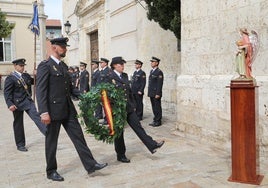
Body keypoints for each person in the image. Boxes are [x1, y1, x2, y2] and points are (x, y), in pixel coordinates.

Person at [36, 37, 107, 181]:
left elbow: (72, 89)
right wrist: (43, 112)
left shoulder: (63, 66)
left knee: (79, 138)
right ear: (54, 47)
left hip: (68, 110)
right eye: (63, 47)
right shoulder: (45, 66)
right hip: (53, 112)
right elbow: (40, 90)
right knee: (51, 142)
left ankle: (90, 165)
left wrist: (89, 96)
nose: (65, 49)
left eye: (65, 47)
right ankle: (51, 171)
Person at [109, 56, 165, 163]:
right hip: (118, 110)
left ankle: (152, 145)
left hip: (128, 107)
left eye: (123, 64)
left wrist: (133, 104)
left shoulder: (124, 76)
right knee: (119, 133)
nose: (123, 66)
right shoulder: (109, 76)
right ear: (115, 65)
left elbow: (129, 91)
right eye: (121, 64)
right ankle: (121, 155)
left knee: (138, 127)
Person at [4, 58, 47, 152]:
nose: (22, 67)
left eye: (23, 66)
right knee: (18, 123)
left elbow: (35, 82)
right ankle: (20, 144)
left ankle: (49, 136)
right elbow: (7, 93)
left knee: (38, 118)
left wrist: (37, 74)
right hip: (17, 104)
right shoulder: (11, 78)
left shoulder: (26, 76)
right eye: (20, 66)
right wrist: (9, 104)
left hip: (28, 102)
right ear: (15, 66)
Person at [148, 56, 164, 127]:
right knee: (154, 107)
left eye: (153, 62)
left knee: (157, 107)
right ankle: (155, 119)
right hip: (152, 93)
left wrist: (158, 93)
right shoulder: (152, 71)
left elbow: (159, 84)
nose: (151, 63)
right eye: (151, 62)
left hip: (156, 93)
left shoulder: (159, 72)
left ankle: (158, 121)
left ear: (157, 63)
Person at [97, 57, 111, 124]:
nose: (100, 64)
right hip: (102, 91)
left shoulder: (108, 71)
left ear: (105, 63)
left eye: (102, 63)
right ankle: (106, 118)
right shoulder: (101, 71)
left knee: (107, 106)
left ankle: (108, 119)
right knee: (104, 106)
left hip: (106, 92)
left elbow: (109, 82)